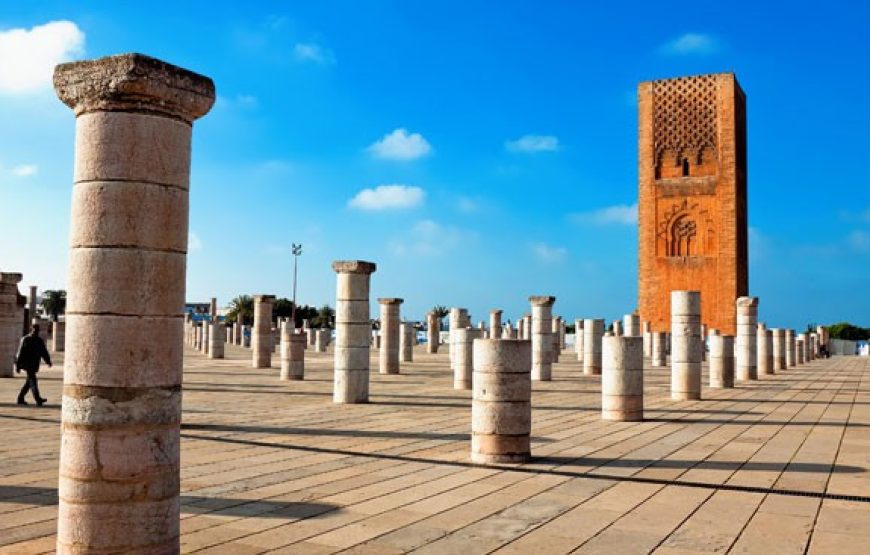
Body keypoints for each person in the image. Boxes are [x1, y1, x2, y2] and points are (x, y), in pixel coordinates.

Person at [15, 325, 51, 406]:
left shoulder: (39, 340)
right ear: (31, 329)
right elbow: (20, 353)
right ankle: (38, 399)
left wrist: (48, 361)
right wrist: (18, 365)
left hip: (34, 364)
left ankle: (20, 398)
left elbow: (44, 352)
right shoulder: (25, 339)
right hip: (27, 364)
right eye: (34, 330)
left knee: (29, 382)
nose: (36, 331)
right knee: (33, 381)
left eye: (37, 330)